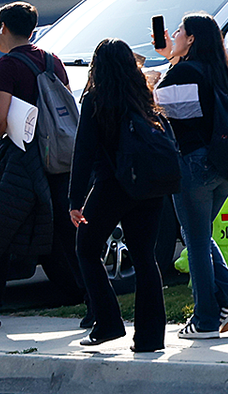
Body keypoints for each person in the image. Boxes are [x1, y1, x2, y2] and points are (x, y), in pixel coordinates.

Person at [0, 1, 84, 329]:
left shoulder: (7, 66)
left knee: (1, 229)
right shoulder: (52, 60)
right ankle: (90, 298)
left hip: (23, 158)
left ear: (3, 28)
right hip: (56, 158)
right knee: (60, 229)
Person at [153, 12, 228, 339]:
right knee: (199, 234)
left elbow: (162, 110)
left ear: (191, 39)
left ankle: (206, 318)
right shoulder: (220, 71)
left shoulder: (184, 72)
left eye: (179, 31)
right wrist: (172, 58)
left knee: (195, 239)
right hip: (224, 168)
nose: (174, 36)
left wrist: (164, 67)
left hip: (194, 165)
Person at [68, 39, 166, 352]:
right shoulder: (143, 93)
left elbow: (83, 152)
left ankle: (108, 322)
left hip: (113, 185)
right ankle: (150, 337)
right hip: (150, 184)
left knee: (86, 248)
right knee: (144, 257)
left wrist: (74, 201)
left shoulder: (96, 98)